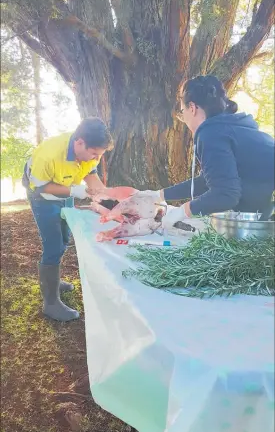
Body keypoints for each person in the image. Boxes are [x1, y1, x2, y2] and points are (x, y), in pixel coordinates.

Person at [104, 75, 274, 228]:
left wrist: (181, 212)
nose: (183, 116)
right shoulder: (229, 128)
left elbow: (226, 194)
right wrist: (158, 195)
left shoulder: (210, 133)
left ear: (192, 108)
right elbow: (210, 181)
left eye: (183, 110)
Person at [23, 117, 117, 322]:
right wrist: (75, 190)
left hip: (66, 189)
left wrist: (103, 196)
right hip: (43, 195)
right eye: (94, 153)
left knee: (65, 237)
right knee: (53, 245)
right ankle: (50, 302)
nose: (96, 158)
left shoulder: (91, 152)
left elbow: (91, 173)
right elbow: (42, 187)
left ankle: (53, 280)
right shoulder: (49, 155)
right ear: (79, 142)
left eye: (99, 155)